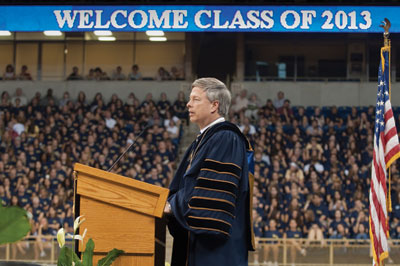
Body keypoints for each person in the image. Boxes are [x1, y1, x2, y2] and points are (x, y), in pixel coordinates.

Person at [165, 77, 255, 266]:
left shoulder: (226, 138)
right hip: (201, 248)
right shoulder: (204, 140)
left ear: (214, 105)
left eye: (196, 99)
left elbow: (210, 195)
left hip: (216, 253)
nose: (188, 104)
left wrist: (172, 206)